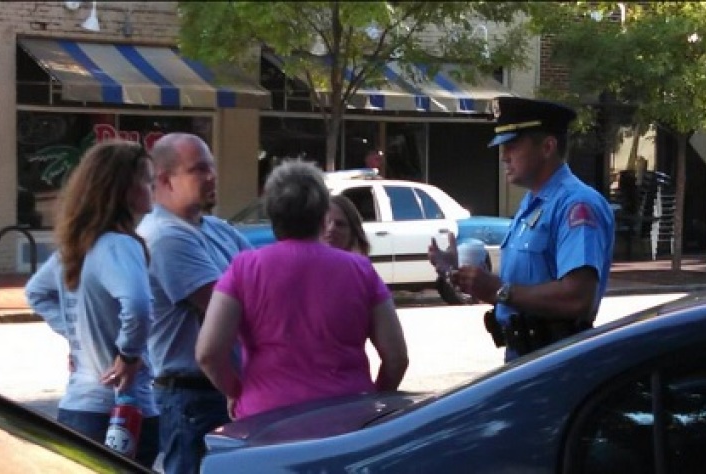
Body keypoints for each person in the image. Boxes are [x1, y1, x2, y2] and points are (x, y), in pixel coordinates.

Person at [196, 159, 409, 420]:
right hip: (347, 417)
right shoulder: (360, 270)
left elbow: (208, 353)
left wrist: (237, 392)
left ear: (272, 214)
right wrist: (372, 402)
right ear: (322, 215)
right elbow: (397, 357)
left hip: (266, 418)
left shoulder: (244, 269)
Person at [429, 96, 615, 363]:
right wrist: (464, 276)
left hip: (558, 362)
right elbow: (519, 291)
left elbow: (577, 298)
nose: (503, 156)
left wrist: (500, 290)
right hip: (524, 358)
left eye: (513, 145)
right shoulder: (532, 203)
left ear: (548, 147)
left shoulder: (577, 205)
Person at [137, 132, 253, 474]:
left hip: (224, 391)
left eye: (212, 167)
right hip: (193, 398)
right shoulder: (165, 236)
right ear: (164, 179)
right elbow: (229, 307)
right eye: (199, 169)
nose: (212, 177)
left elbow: (266, 284)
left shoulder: (217, 229)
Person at [42, 139, 159, 468]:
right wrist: (128, 353)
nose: (153, 188)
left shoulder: (81, 245)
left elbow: (37, 292)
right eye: (147, 180)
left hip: (77, 407)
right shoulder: (121, 245)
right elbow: (137, 304)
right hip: (121, 412)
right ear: (124, 189)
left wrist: (76, 332)